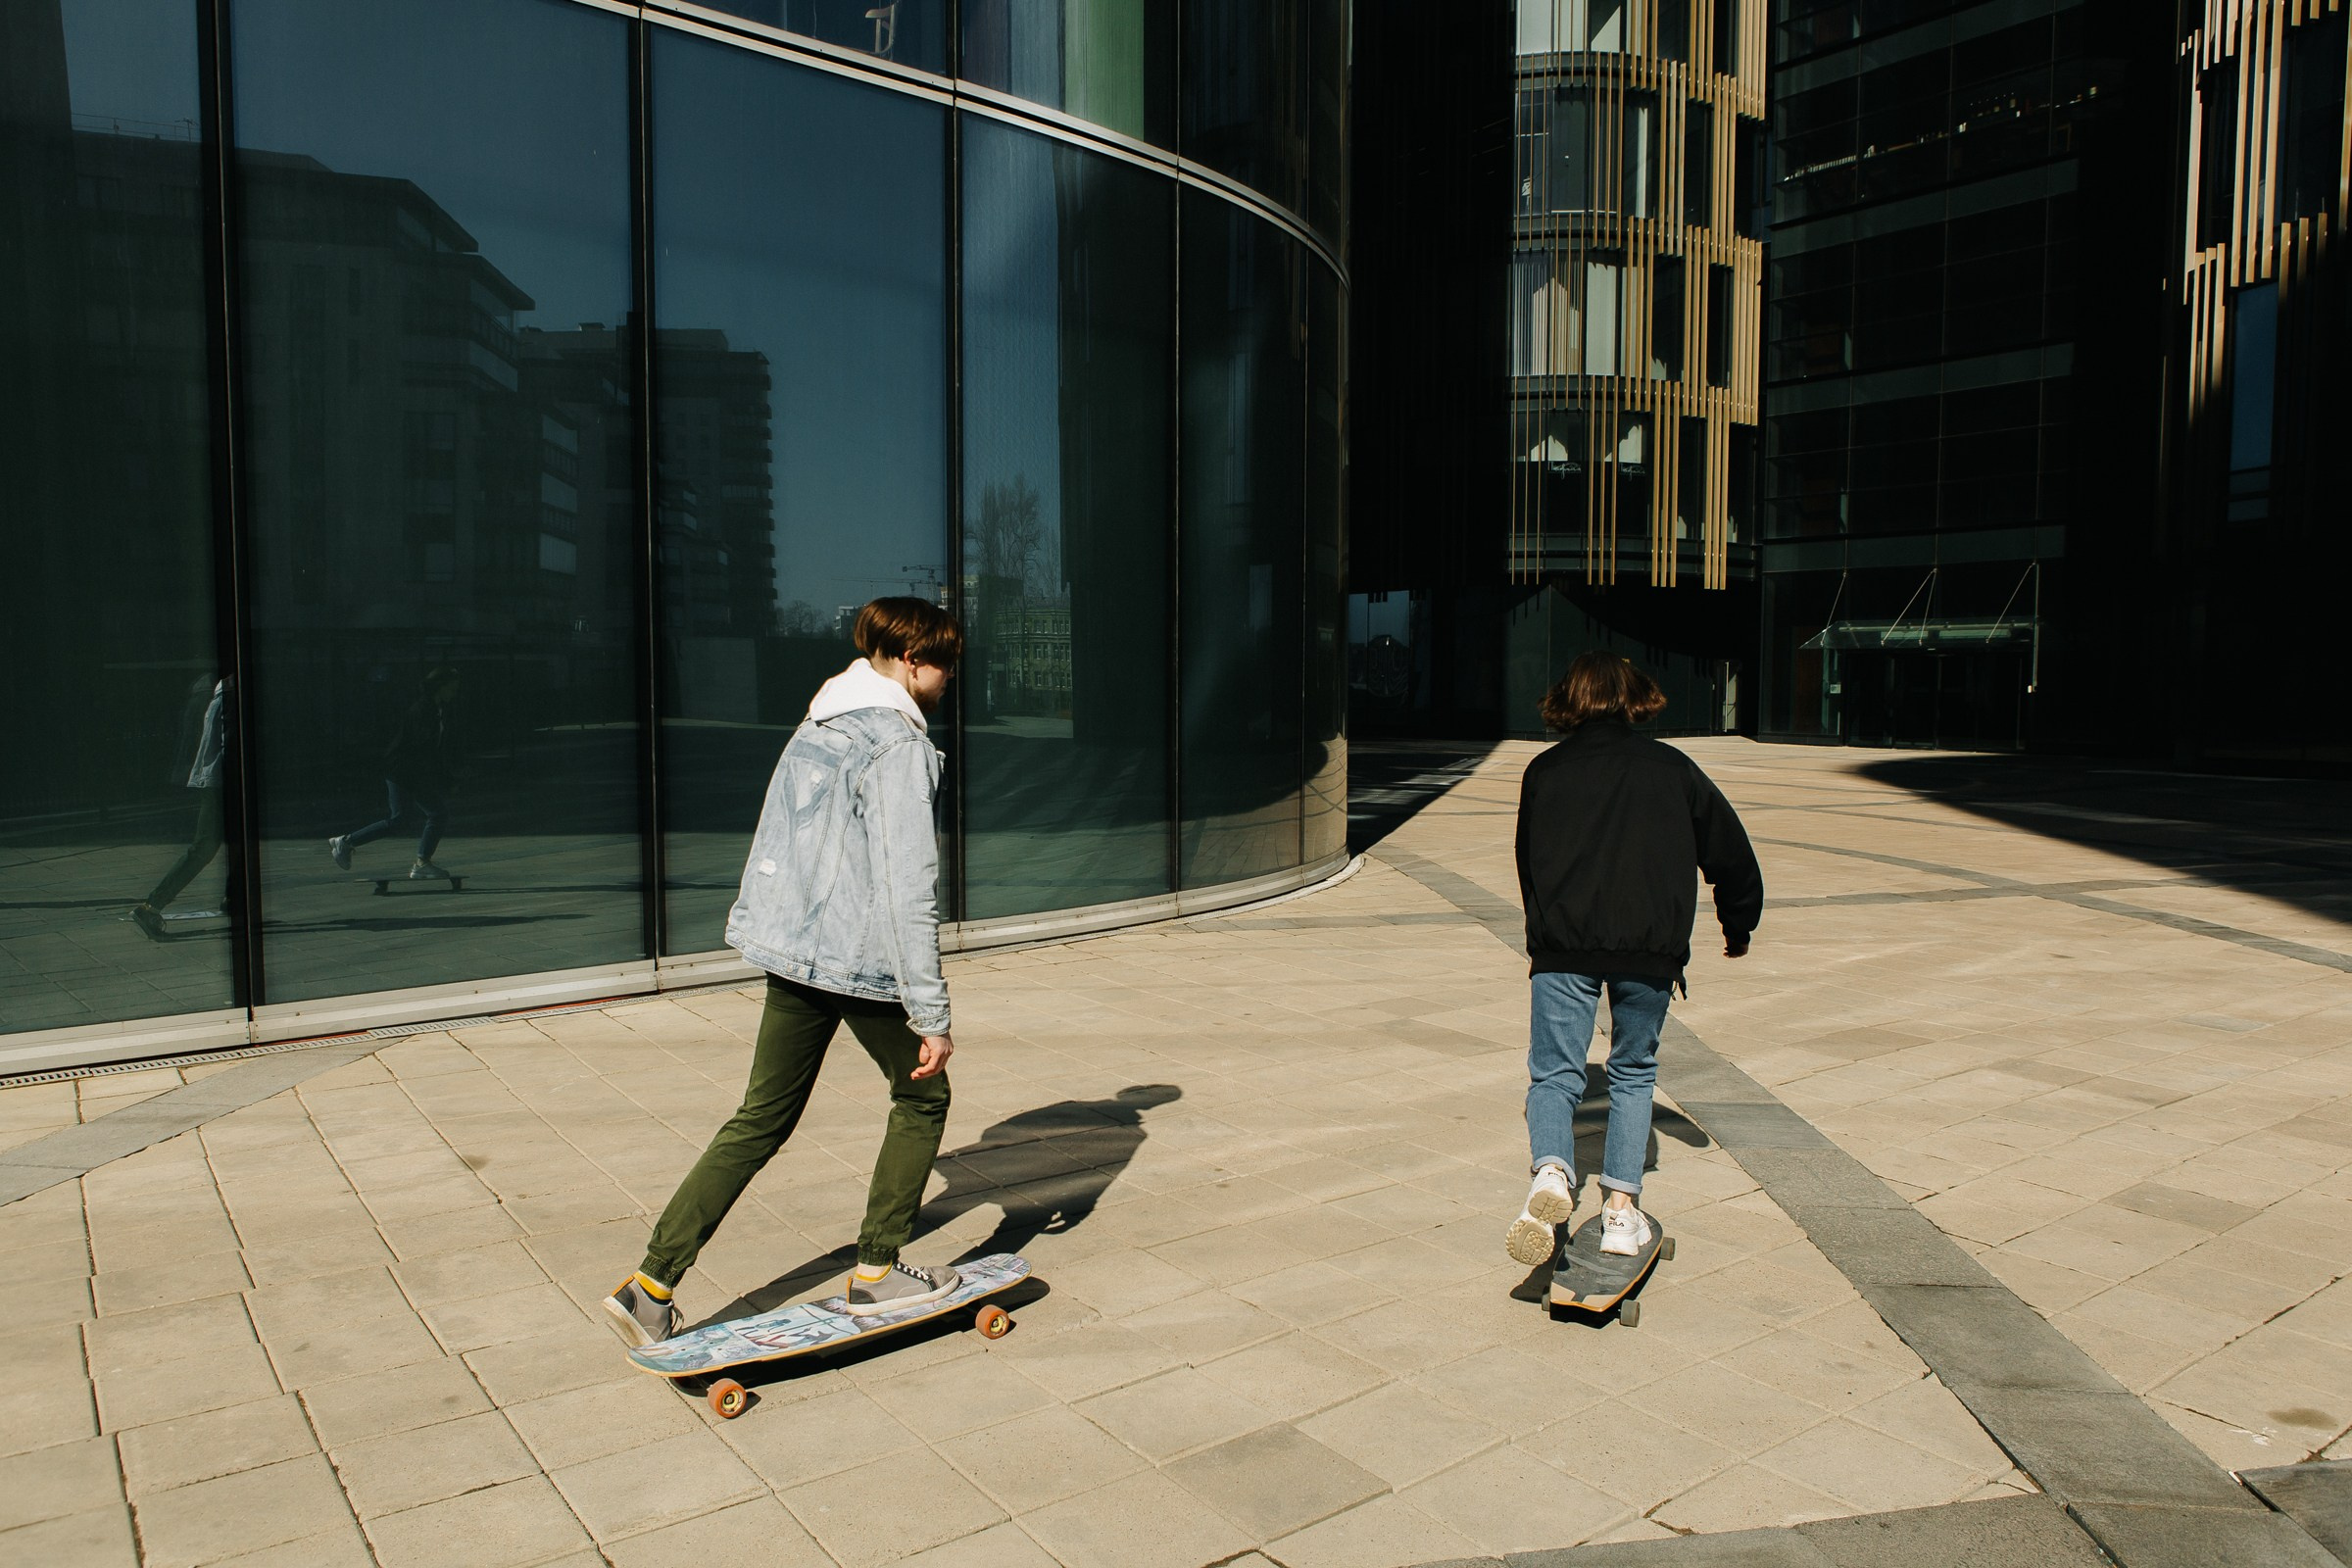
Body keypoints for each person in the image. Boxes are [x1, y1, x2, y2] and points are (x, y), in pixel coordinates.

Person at [604, 597, 965, 1347]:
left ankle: (649, 1286)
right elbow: (907, 887)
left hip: (796, 950)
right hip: (855, 957)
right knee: (924, 1095)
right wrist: (930, 1013)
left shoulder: (821, 724)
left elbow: (779, 842)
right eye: (944, 661)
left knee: (760, 1117)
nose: (950, 675)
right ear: (908, 661)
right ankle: (877, 1273)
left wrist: (776, 934)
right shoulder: (895, 743)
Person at [1505, 652, 1764, 1267]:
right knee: (1631, 1071)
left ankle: (1551, 1172)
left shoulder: (1545, 770)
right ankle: (1621, 1212)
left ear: (1569, 699)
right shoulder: (1673, 768)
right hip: (1649, 947)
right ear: (1635, 699)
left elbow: (1528, 862)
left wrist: (1544, 935)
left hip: (1564, 945)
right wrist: (1738, 922)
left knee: (1555, 1075)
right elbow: (1730, 850)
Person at [327, 666, 460, 880]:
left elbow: (430, 749)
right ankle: (346, 841)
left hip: (411, 772)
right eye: (452, 688)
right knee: (404, 819)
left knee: (430, 815)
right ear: (439, 687)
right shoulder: (424, 710)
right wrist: (445, 778)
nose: (454, 693)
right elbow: (424, 749)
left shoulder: (434, 709)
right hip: (402, 771)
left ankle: (421, 863)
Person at [131, 675, 231, 940]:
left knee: (208, 846)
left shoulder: (216, 693)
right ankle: (151, 906)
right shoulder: (230, 695)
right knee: (204, 847)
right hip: (222, 780)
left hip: (212, 778)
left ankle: (233, 897)